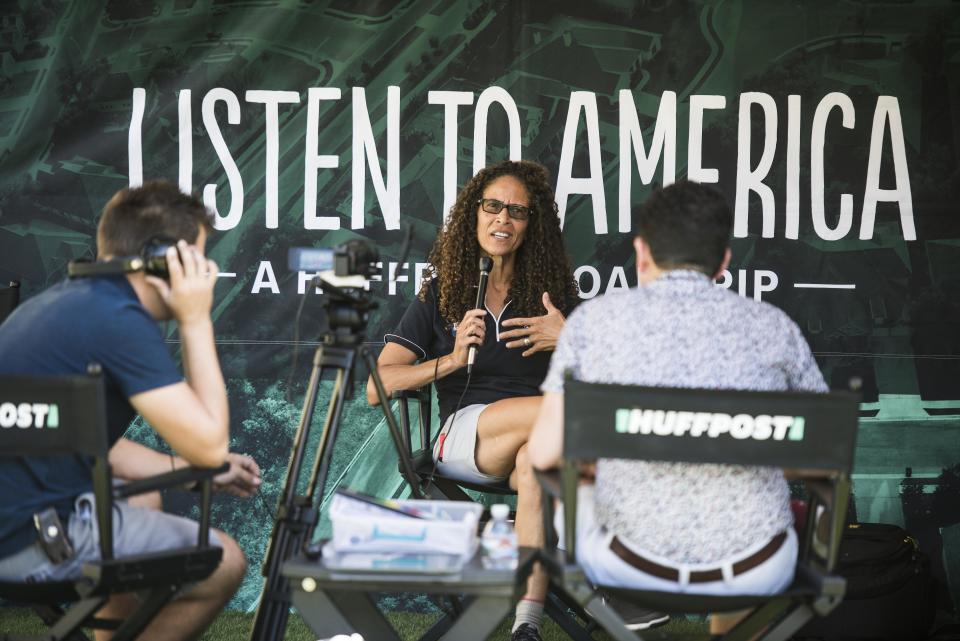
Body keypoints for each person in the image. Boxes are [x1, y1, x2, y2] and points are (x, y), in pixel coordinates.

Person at [527, 180, 828, 634]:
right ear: (724, 262)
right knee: (750, 502)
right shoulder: (774, 328)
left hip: (623, 560)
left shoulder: (593, 322)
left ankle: (634, 610)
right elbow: (823, 449)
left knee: (573, 480)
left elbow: (544, 454)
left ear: (641, 252)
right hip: (754, 564)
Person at [0, 181, 261, 641]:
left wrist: (190, 470)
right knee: (224, 562)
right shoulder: (119, 321)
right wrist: (196, 318)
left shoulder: (67, 303)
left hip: (16, 520)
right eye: (197, 259)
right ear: (163, 259)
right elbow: (209, 444)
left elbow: (87, 436)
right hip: (26, 541)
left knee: (143, 497)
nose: (204, 272)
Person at [367, 159, 578, 641]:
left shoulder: (554, 297)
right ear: (474, 215)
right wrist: (454, 358)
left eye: (518, 212)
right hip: (463, 436)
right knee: (569, 417)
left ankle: (526, 623)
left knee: (535, 465)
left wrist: (570, 339)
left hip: (538, 442)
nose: (503, 219)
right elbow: (378, 386)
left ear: (532, 226)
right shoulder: (442, 293)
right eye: (493, 206)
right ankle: (618, 558)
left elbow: (605, 375)